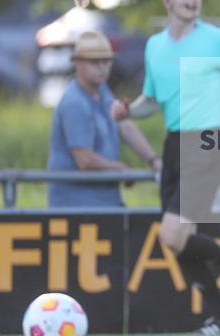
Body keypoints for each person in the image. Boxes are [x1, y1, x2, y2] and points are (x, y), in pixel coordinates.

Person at [111, 0, 220, 335]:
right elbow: (152, 100)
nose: (193, 0)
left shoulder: (216, 40)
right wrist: (129, 110)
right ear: (167, 0)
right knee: (178, 242)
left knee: (171, 235)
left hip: (206, 143)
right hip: (174, 143)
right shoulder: (155, 46)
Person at [47, 32, 160, 208]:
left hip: (105, 204)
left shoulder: (102, 91)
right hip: (77, 207)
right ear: (77, 63)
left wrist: (153, 159)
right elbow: (84, 160)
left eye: (106, 61)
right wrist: (120, 169)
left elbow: (124, 126)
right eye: (94, 62)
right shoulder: (74, 102)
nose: (102, 67)